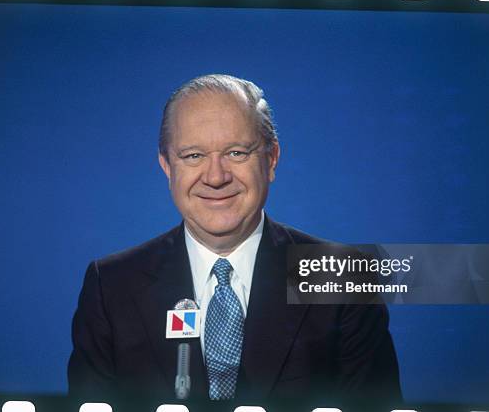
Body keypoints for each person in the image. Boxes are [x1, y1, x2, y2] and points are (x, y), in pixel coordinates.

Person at [68, 74, 402, 409]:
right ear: (167, 166)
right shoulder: (111, 286)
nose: (216, 177)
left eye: (236, 152)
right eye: (193, 156)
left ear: (271, 160)